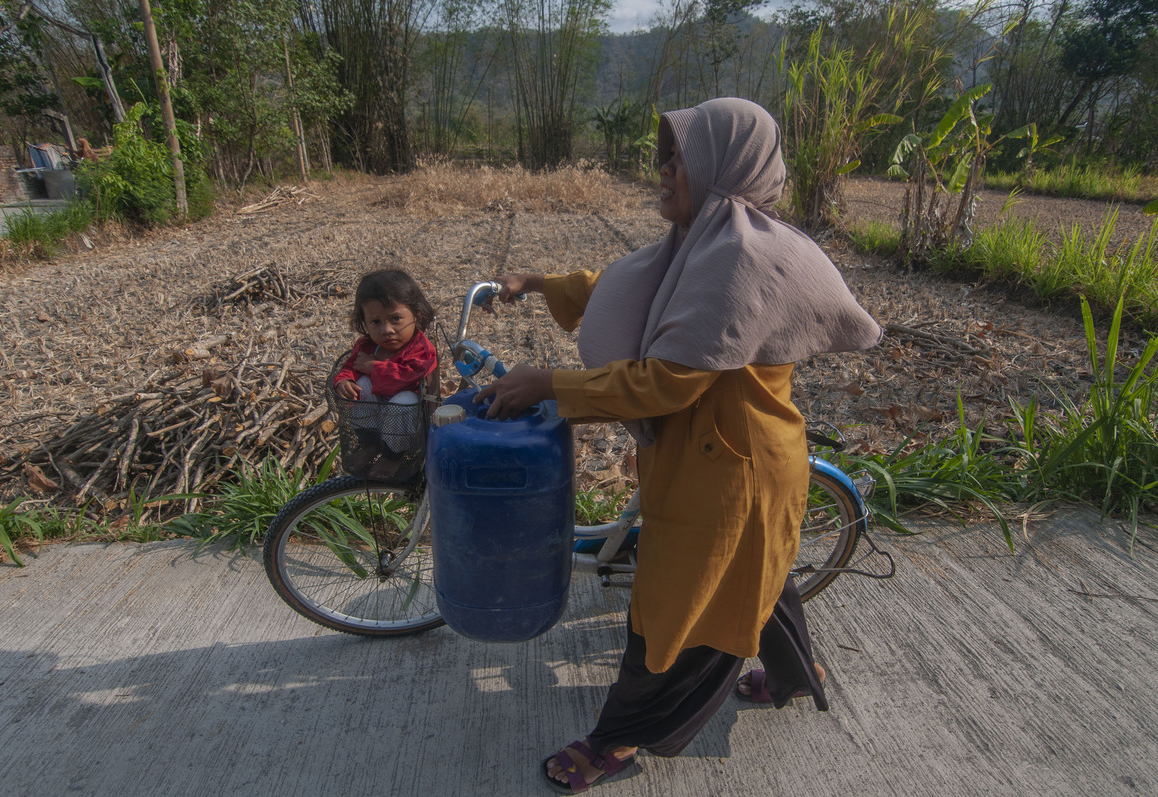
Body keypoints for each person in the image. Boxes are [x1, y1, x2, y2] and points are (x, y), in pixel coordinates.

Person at [473, 98, 881, 794]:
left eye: (678, 158)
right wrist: (537, 282)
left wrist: (549, 382)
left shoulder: (746, 258)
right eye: (663, 155)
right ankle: (798, 671)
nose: (662, 169)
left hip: (730, 474)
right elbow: (622, 288)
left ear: (724, 168)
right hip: (714, 462)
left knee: (681, 614)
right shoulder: (703, 240)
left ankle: (625, 736)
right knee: (758, 575)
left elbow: (666, 383)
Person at [332, 269, 437, 467]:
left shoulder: (421, 349)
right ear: (364, 322)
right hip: (376, 416)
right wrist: (344, 381)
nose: (386, 330)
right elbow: (350, 367)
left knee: (405, 400)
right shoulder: (367, 346)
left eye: (396, 319)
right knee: (360, 385)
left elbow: (406, 377)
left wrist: (374, 367)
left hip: (406, 424)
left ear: (417, 315)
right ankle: (369, 443)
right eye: (375, 322)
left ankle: (392, 456)